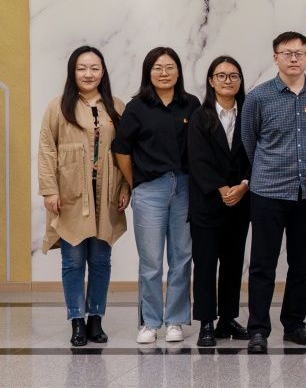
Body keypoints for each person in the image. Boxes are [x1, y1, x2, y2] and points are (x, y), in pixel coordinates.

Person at [242, 32, 306, 353]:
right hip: (268, 191)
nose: (293, 58)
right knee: (262, 264)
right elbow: (248, 142)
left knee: (302, 263)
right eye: (287, 53)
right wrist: (267, 170)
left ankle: (294, 324)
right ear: (275, 57)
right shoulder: (258, 96)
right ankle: (258, 329)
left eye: (299, 53)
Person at [38, 46, 129, 346]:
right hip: (70, 196)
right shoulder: (58, 106)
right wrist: (49, 189)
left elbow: (126, 152)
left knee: (101, 260)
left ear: (103, 72)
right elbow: (47, 149)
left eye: (94, 68)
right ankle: (77, 320)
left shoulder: (116, 106)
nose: (88, 74)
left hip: (107, 195)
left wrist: (125, 187)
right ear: (72, 72)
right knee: (73, 261)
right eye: (81, 68)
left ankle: (96, 320)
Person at [113, 47, 200, 345]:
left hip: (185, 187)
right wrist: (134, 183)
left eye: (170, 67)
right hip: (149, 189)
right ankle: (149, 322)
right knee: (150, 260)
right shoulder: (137, 107)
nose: (164, 73)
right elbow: (121, 149)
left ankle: (175, 320)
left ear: (178, 71)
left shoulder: (191, 104)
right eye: (157, 68)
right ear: (148, 72)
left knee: (182, 257)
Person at [186, 56, 251, 347]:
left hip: (241, 201)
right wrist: (222, 189)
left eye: (233, 75)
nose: (228, 80)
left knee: (233, 264)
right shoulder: (199, 117)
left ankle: (227, 318)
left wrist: (243, 185)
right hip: (207, 204)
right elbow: (197, 159)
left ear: (240, 81)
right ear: (211, 81)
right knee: (205, 265)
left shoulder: (249, 114)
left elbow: (256, 153)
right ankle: (206, 323)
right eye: (221, 75)